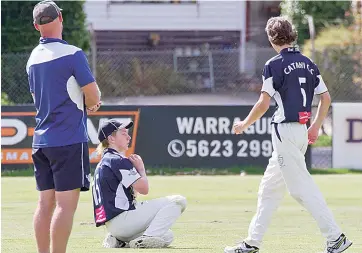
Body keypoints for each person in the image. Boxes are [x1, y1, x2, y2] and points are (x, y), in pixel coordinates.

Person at [224, 17, 353, 253]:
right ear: (292, 35)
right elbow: (325, 98)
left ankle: (336, 238)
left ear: (272, 39)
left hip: (284, 131)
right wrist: (314, 126)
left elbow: (263, 103)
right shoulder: (308, 63)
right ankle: (252, 242)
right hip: (300, 131)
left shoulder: (273, 65)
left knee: (300, 188)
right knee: (269, 190)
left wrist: (244, 124)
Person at [26, 1, 101, 253]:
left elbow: (38, 97)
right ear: (60, 17)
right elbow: (92, 94)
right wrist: (91, 103)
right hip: (68, 140)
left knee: (44, 204)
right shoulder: (73, 54)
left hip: (41, 142)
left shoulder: (32, 59)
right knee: (65, 206)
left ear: (37, 26)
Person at [92, 119, 187, 249]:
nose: (128, 136)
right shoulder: (117, 160)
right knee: (178, 200)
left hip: (113, 225)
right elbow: (143, 189)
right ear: (111, 138)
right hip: (123, 220)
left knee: (167, 235)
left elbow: (132, 193)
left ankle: (120, 241)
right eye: (124, 133)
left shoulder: (104, 162)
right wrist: (141, 169)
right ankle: (145, 238)